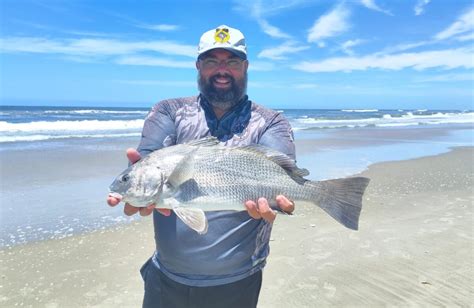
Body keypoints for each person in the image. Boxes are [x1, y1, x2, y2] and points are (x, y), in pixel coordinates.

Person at [107, 25, 296, 308]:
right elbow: (149, 155)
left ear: (245, 66)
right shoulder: (169, 110)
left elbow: (283, 172)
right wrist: (135, 182)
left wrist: (282, 200)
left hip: (239, 281)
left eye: (232, 61)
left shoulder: (270, 121)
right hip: (166, 278)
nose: (222, 70)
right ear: (198, 65)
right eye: (212, 61)